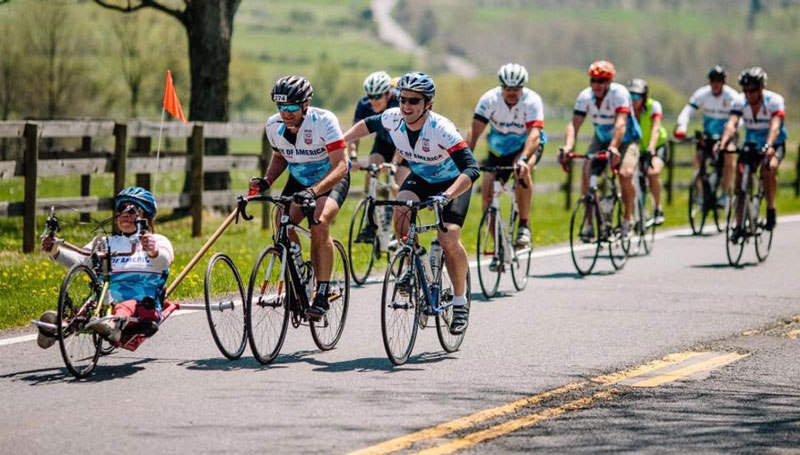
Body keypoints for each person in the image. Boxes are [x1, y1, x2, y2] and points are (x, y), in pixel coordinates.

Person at [342, 72, 479, 334]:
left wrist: (447, 195)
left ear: (428, 104)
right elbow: (367, 125)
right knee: (401, 209)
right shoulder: (394, 118)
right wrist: (339, 142)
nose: (406, 106)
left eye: (414, 101)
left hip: (453, 183)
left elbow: (471, 169)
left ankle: (460, 302)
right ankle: (415, 259)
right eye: (403, 99)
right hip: (422, 177)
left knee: (448, 238)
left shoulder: (441, 129)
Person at [249, 75, 349, 320]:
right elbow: (281, 157)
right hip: (299, 180)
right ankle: (301, 275)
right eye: (281, 107)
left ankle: (322, 291)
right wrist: (267, 181)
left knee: (319, 222)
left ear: (305, 104)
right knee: (282, 220)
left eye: (292, 107)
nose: (287, 113)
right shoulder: (273, 126)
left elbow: (342, 166)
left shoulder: (324, 121)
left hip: (330, 179)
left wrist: (314, 191)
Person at [37, 187, 174, 348]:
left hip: (141, 303)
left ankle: (113, 324)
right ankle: (61, 325)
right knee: (90, 306)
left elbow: (164, 262)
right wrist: (55, 250)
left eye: (133, 210)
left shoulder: (157, 240)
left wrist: (153, 250)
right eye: (121, 209)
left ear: (145, 216)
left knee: (126, 306)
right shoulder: (105, 242)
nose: (125, 214)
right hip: (106, 298)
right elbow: (81, 260)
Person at [465, 63, 545, 252]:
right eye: (507, 88)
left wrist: (524, 158)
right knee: (487, 198)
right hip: (498, 151)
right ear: (501, 86)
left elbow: (534, 134)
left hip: (527, 147)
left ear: (522, 88)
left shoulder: (532, 100)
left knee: (522, 172)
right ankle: (501, 247)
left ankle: (524, 226)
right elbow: (474, 131)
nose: (511, 92)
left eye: (516, 89)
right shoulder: (489, 100)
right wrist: (464, 159)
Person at [560, 60, 642, 238]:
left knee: (625, 174)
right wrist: (567, 147)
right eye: (594, 80)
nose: (597, 85)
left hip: (626, 138)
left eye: (602, 81)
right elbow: (574, 125)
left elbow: (620, 124)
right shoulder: (585, 97)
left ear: (609, 82)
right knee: (587, 170)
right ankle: (589, 225)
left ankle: (628, 220)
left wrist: (613, 147)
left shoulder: (619, 94)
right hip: (601, 138)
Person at [716, 67, 786, 235]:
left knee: (769, 168)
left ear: (761, 88)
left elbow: (775, 126)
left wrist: (769, 145)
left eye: (753, 90)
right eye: (746, 90)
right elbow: (732, 123)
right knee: (740, 181)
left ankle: (770, 208)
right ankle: (739, 225)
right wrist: (723, 142)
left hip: (774, 143)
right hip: (752, 143)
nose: (749, 94)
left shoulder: (774, 101)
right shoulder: (740, 101)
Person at [347, 70, 409, 241]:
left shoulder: (398, 104)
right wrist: (353, 157)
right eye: (370, 96)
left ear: (388, 93)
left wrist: (395, 163)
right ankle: (371, 222)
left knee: (398, 183)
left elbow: (404, 139)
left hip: (404, 146)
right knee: (372, 170)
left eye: (378, 96)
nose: (373, 100)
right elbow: (354, 134)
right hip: (384, 142)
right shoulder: (364, 105)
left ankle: (402, 222)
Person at [675, 66, 739, 206]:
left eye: (719, 81)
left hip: (727, 135)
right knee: (698, 159)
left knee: (729, 155)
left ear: (724, 82)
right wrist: (682, 127)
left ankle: (725, 193)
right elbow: (688, 111)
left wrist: (731, 133)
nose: (715, 84)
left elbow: (740, 118)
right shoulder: (702, 94)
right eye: (713, 81)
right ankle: (702, 194)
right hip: (709, 135)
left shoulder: (732, 96)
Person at [628, 78, 668, 225]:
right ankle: (636, 215)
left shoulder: (653, 106)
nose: (634, 100)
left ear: (644, 97)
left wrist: (651, 147)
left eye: (637, 96)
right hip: (638, 148)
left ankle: (658, 208)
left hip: (657, 146)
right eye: (631, 96)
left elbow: (656, 128)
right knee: (632, 177)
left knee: (653, 173)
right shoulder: (628, 109)